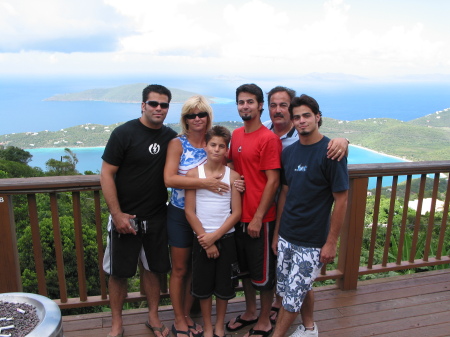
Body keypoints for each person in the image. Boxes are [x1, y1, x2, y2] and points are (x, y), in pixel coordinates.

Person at [263, 86, 349, 324]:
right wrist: (277, 234)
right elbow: (284, 195)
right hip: (287, 234)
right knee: (296, 286)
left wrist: (331, 242)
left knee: (292, 296)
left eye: (307, 116)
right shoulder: (289, 153)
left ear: (318, 117)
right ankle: (309, 327)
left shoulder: (331, 152)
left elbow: (341, 199)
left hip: (312, 239)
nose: (301, 121)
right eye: (297, 117)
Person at [101, 84, 176, 337]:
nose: (158, 108)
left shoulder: (170, 138)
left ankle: (153, 317)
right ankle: (116, 324)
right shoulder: (124, 134)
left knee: (155, 269)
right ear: (143, 105)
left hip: (157, 216)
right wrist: (117, 214)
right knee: (118, 273)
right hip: (126, 217)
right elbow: (106, 174)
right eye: (153, 103)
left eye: (164, 105)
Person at [164, 95, 231, 337]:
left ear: (208, 117)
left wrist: (239, 184)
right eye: (191, 115)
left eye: (201, 114)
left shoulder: (215, 142)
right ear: (185, 119)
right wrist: (204, 183)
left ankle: (189, 315)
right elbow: (169, 179)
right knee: (180, 269)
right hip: (181, 214)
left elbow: (229, 171)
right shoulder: (177, 144)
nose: (197, 119)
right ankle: (180, 319)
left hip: (209, 217)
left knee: (195, 268)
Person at [226, 83, 282, 337]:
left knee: (263, 274)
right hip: (238, 215)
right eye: (241, 102)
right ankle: (250, 311)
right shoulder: (236, 135)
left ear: (260, 106)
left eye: (250, 102)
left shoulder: (268, 139)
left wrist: (258, 217)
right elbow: (231, 164)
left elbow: (273, 180)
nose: (245, 106)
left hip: (260, 218)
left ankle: (264, 319)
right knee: (246, 271)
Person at [185, 125, 242, 337]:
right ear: (205, 146)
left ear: (227, 149)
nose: (216, 149)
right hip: (201, 238)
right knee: (203, 286)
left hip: (225, 238)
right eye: (213, 145)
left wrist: (214, 238)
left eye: (221, 146)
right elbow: (190, 212)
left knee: (224, 286)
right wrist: (206, 241)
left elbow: (236, 213)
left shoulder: (233, 176)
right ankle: (208, 327)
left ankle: (219, 325)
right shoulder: (193, 175)